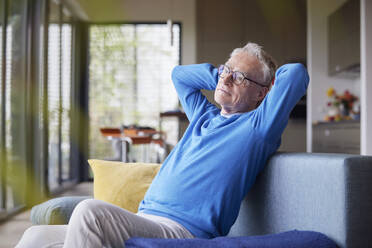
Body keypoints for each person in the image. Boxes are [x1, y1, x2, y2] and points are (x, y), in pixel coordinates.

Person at [16, 42, 309, 247]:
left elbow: (296, 73)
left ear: (262, 94)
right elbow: (178, 76)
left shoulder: (258, 127)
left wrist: (263, 85)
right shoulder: (202, 116)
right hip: (143, 219)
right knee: (35, 237)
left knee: (90, 212)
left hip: (182, 232)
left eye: (240, 77)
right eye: (226, 69)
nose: (228, 78)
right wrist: (221, 75)